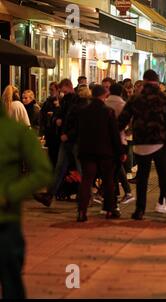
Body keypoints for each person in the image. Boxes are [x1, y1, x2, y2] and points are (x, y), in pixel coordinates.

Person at [0, 100, 52, 299]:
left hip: (5, 222)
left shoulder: (16, 132)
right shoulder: (19, 132)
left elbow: (43, 172)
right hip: (7, 220)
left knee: (11, 279)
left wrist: (9, 194)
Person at [118, 69, 166, 219]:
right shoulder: (165, 98)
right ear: (157, 81)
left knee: (142, 177)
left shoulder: (135, 99)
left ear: (144, 81)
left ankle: (139, 210)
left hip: (141, 143)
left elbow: (122, 120)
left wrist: (122, 133)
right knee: (164, 177)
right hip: (160, 142)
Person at [76, 85, 124, 222]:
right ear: (104, 96)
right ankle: (109, 209)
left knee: (86, 180)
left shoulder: (83, 111)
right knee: (108, 181)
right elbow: (114, 134)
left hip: (87, 150)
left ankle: (82, 211)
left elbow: (80, 131)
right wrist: (120, 151)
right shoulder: (108, 112)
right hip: (105, 151)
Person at [33, 79, 82, 207]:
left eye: (63, 90)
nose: (62, 93)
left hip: (74, 141)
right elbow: (59, 114)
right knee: (59, 168)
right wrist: (57, 120)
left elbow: (78, 123)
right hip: (65, 140)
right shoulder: (65, 100)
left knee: (81, 169)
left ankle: (86, 196)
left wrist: (68, 134)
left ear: (69, 87)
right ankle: (49, 195)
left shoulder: (78, 101)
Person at [105, 83, 135, 205]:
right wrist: (127, 132)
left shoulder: (105, 103)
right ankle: (122, 192)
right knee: (117, 166)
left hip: (107, 139)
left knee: (115, 166)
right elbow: (131, 121)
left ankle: (120, 193)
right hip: (121, 138)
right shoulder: (123, 104)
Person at [40, 82, 61, 167]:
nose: (50, 91)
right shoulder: (47, 101)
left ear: (57, 90)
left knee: (55, 155)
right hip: (49, 131)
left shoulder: (60, 102)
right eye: (50, 89)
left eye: (52, 89)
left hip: (56, 132)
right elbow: (42, 115)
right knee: (50, 154)